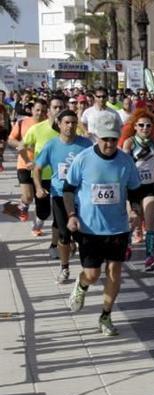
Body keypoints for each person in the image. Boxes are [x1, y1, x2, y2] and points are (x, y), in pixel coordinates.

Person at [64, 112, 140, 336]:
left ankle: (105, 316)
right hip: (89, 227)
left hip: (118, 228)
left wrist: (135, 210)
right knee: (93, 274)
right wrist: (71, 214)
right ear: (97, 137)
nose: (109, 143)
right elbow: (68, 189)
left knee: (115, 271)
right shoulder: (84, 158)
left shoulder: (126, 161)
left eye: (113, 139)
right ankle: (81, 284)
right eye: (105, 138)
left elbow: (135, 190)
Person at [33, 110, 92, 283]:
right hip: (59, 195)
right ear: (59, 124)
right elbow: (36, 168)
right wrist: (38, 187)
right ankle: (64, 268)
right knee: (64, 234)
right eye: (66, 122)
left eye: (74, 122)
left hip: (81, 196)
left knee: (84, 235)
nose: (70, 126)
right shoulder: (51, 145)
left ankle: (87, 269)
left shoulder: (86, 144)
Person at [122, 109, 154, 271]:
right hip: (133, 187)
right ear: (135, 126)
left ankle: (149, 257)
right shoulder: (130, 142)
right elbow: (124, 163)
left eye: (148, 125)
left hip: (150, 187)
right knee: (133, 220)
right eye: (141, 125)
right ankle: (126, 244)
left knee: (150, 222)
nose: (145, 128)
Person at [24, 94, 64, 240]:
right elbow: (22, 145)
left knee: (61, 210)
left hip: (62, 177)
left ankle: (59, 241)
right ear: (49, 110)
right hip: (42, 175)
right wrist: (28, 160)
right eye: (55, 107)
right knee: (44, 211)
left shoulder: (68, 127)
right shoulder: (37, 129)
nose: (58, 110)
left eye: (61, 107)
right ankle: (38, 222)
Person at [9, 98, 46, 224]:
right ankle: (22, 206)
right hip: (24, 163)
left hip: (42, 166)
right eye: (37, 110)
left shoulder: (50, 125)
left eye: (43, 111)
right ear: (31, 110)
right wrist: (23, 145)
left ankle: (37, 225)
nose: (40, 113)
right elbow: (11, 140)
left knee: (41, 198)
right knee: (28, 196)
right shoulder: (22, 123)